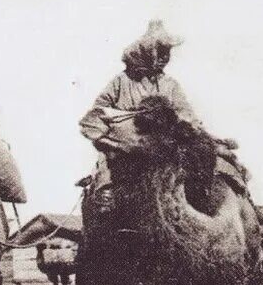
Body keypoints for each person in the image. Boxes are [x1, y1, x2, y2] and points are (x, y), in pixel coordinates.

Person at [77, 20, 239, 213]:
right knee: (109, 165)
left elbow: (185, 114)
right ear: (146, 52)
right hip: (127, 144)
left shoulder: (169, 84)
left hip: (165, 142)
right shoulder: (121, 82)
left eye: (167, 53)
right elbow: (98, 111)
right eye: (160, 52)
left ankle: (204, 199)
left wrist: (199, 132)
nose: (164, 57)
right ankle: (106, 192)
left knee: (203, 156)